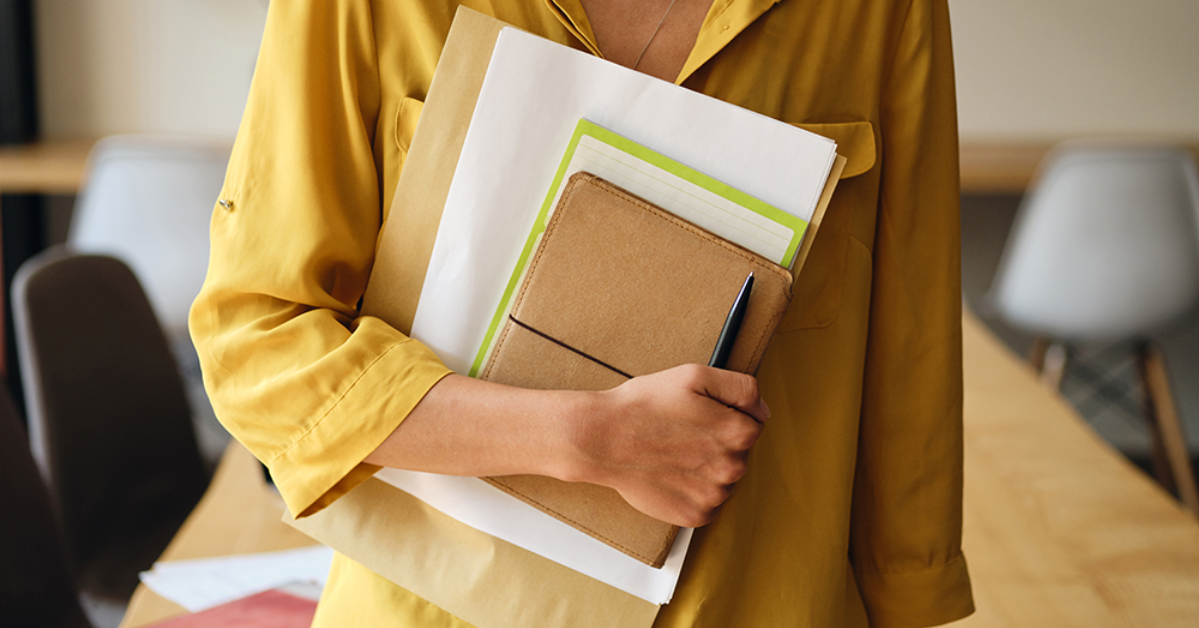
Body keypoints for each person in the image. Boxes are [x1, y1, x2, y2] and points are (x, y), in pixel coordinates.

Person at [190, 0, 975, 626]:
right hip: (433, 606)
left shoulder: (879, 11)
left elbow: (909, 340)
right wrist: (586, 440)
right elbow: (258, 340)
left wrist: (909, 595)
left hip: (760, 603)